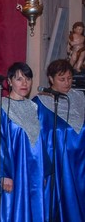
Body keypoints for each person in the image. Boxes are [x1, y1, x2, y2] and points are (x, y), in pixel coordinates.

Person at [0, 62, 47, 221]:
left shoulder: (34, 107)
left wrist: (44, 169)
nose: (24, 83)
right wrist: (3, 174)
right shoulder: (0, 108)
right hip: (13, 172)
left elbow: (41, 140)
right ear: (9, 82)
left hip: (35, 172)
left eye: (28, 78)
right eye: (19, 79)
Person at [34, 59, 85, 221]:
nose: (67, 83)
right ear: (50, 79)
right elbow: (36, 138)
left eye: (70, 78)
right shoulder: (39, 103)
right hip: (58, 165)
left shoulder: (80, 98)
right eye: (61, 79)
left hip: (81, 163)